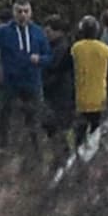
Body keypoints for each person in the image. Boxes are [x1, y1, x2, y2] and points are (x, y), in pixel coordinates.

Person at [0, 0, 51, 148]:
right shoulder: (4, 32)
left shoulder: (38, 32)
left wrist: (40, 59)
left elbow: (49, 56)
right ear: (14, 13)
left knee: (34, 120)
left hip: (32, 83)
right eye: (19, 12)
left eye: (26, 11)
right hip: (10, 83)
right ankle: (3, 149)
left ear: (31, 13)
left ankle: (35, 151)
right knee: (4, 119)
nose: (23, 15)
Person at [70, 15, 108, 138]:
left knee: (80, 133)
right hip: (100, 97)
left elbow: (69, 69)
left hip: (81, 98)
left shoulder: (76, 48)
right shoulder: (105, 49)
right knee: (97, 132)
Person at [40, 15, 76, 152]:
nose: (45, 35)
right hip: (57, 94)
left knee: (58, 127)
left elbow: (56, 71)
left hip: (60, 94)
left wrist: (43, 83)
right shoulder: (54, 47)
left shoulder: (61, 49)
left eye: (48, 32)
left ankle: (63, 154)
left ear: (58, 31)